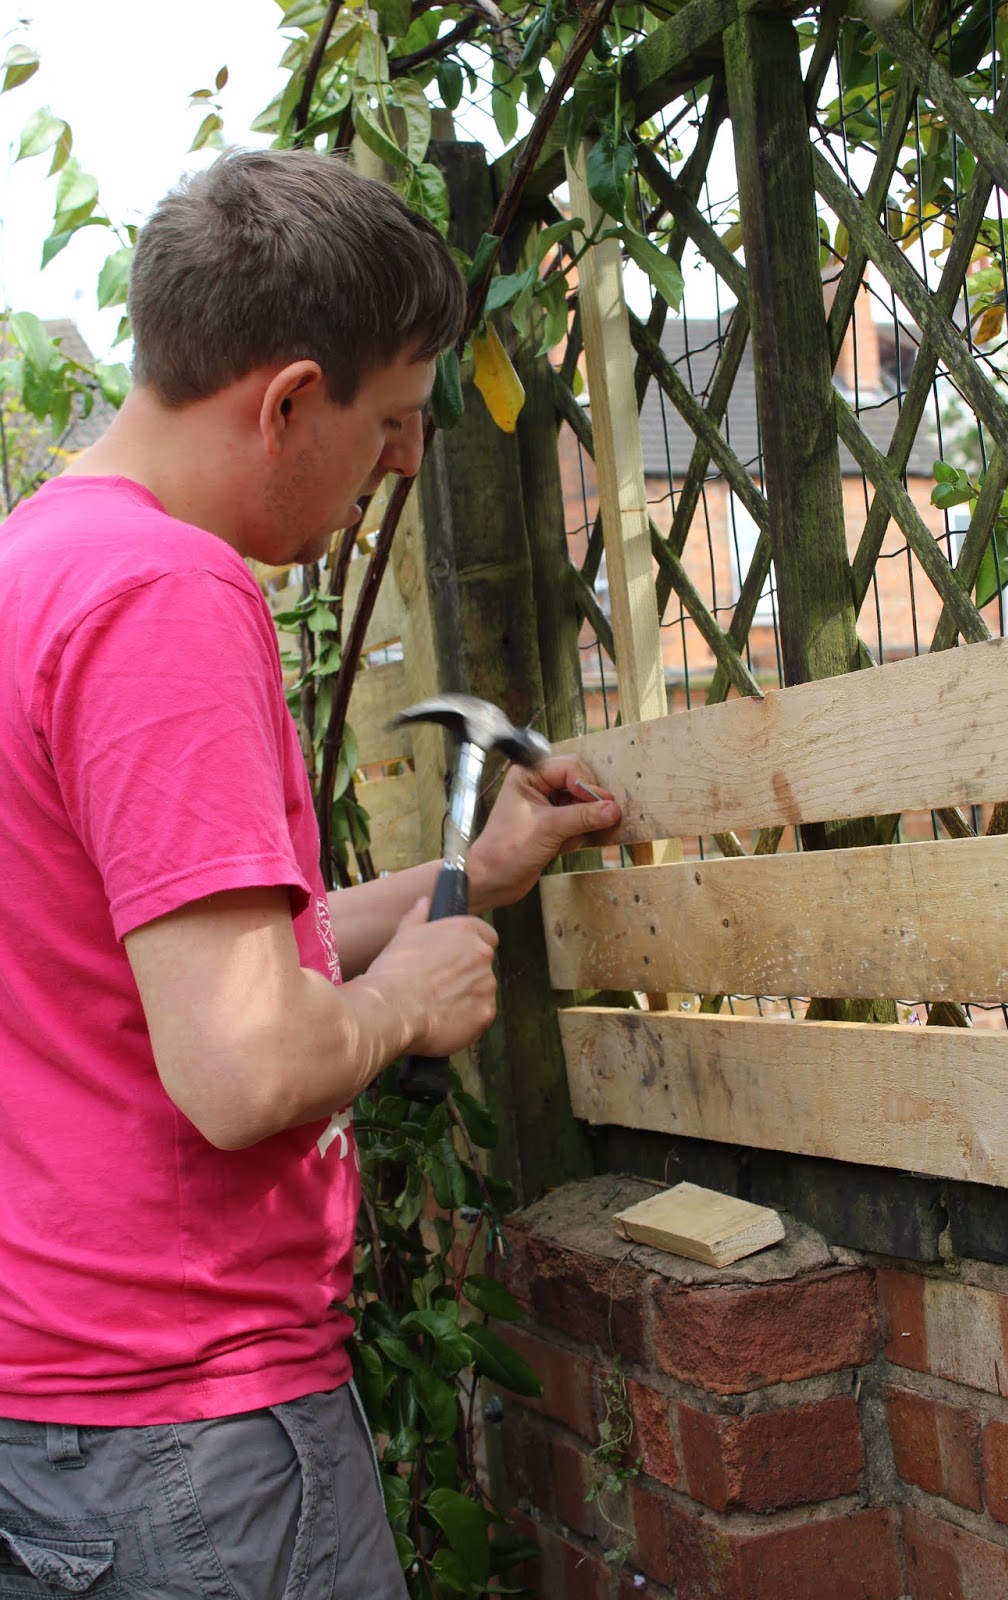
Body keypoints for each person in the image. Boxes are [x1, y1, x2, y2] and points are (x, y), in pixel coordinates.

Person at [0, 148, 620, 1599]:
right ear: (287, 401)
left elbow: (157, 965)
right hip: (195, 1430)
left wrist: (469, 876)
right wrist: (405, 1005)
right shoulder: (166, 595)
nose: (405, 457)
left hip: (67, 1410)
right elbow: (239, 1065)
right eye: (394, 418)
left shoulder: (37, 570)